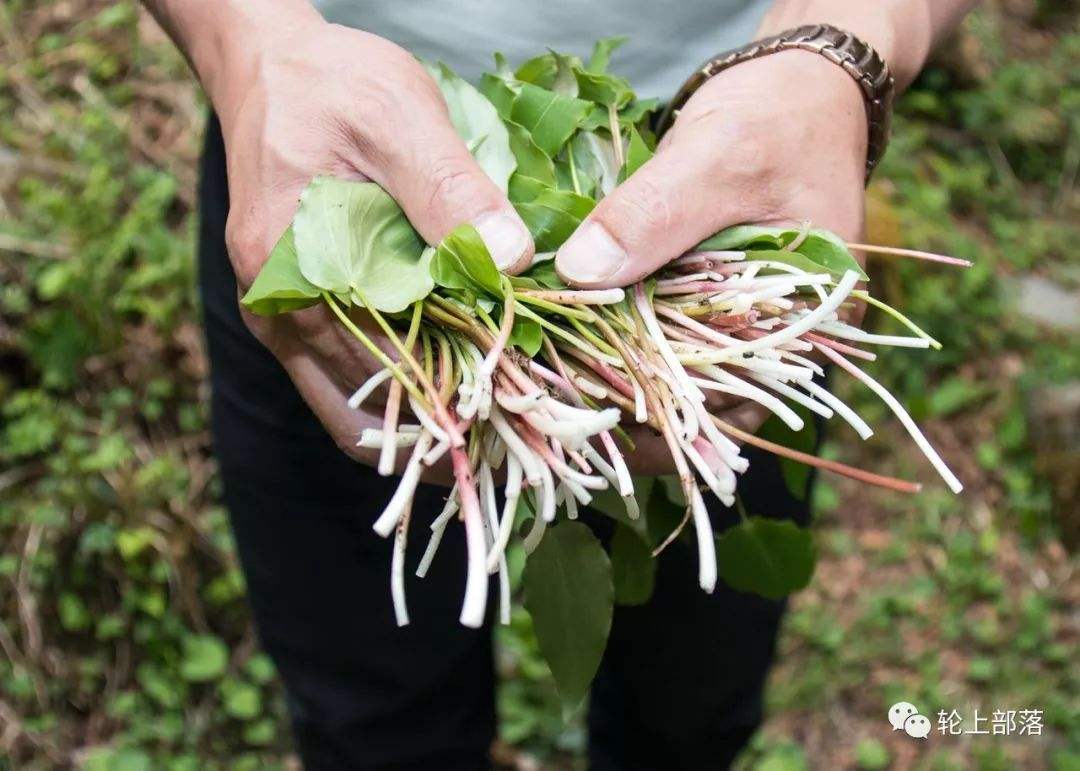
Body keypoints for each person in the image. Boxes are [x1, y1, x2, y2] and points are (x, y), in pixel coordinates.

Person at [143, 1, 975, 768]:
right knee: (371, 723)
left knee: (689, 716)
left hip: (746, 181)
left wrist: (843, 45)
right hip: (319, 162)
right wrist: (246, 44)